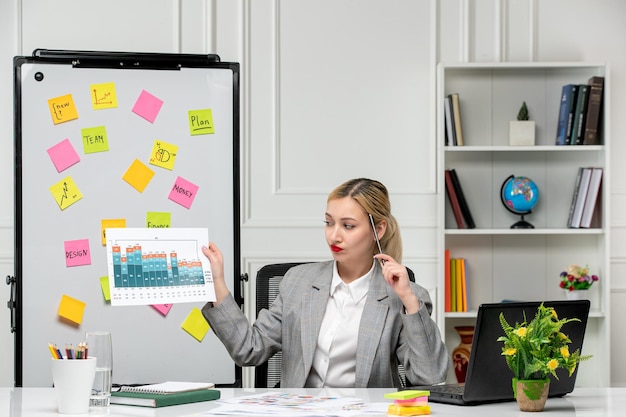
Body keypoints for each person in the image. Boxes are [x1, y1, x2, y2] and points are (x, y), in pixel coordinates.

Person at [201, 178, 449, 388]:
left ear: (378, 230)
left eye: (348, 225)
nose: (334, 235)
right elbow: (249, 349)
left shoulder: (407, 297)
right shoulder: (298, 282)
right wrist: (218, 283)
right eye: (329, 222)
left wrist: (408, 301)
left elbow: (430, 376)